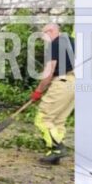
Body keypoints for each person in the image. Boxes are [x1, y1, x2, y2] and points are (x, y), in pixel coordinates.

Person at [30, 23, 74, 165]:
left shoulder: (55, 43)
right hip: (76, 84)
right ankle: (54, 155)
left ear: (50, 31)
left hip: (62, 81)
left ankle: (57, 148)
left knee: (43, 118)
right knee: (58, 121)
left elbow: (49, 72)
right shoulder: (72, 42)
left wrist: (38, 91)